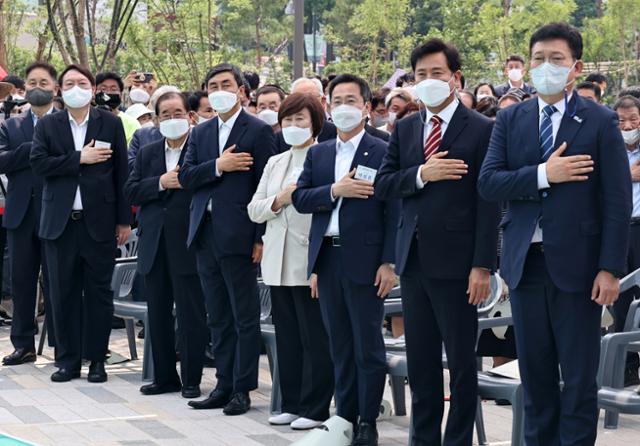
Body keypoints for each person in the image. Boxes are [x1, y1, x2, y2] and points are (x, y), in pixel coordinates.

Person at [478, 23, 631, 446]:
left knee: (579, 377)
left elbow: (617, 202)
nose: (547, 66)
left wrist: (609, 269)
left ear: (576, 67)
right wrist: (546, 174)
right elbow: (489, 183)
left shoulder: (599, 121)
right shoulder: (511, 118)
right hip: (526, 265)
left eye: (557, 59)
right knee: (536, 373)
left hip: (581, 269)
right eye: (539, 58)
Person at [375, 38, 499, 446]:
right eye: (421, 75)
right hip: (413, 262)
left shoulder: (482, 129)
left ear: (455, 77)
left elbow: (489, 202)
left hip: (460, 266)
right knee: (423, 364)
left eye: (437, 73)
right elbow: (385, 184)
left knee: (462, 366)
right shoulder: (407, 126)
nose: (428, 81)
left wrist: (483, 264)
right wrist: (422, 174)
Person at [292, 74, 399, 446]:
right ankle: (345, 415)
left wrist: (390, 261)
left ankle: (367, 419)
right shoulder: (319, 152)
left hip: (368, 261)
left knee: (367, 344)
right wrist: (335, 190)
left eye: (351, 100)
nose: (343, 107)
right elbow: (301, 198)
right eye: (337, 100)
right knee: (339, 342)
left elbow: (395, 212)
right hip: (328, 257)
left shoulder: (383, 149)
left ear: (368, 108)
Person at [179, 63, 276, 415]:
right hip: (204, 234)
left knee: (243, 315)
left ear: (241, 90)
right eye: (213, 85)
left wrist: (259, 237)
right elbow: (187, 176)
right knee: (217, 315)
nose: (219, 90)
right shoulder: (201, 132)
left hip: (240, 235)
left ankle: (242, 387)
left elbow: (266, 187)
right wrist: (219, 166)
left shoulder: (258, 130)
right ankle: (222, 383)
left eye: (226, 84)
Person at [30, 64, 132, 383]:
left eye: (82, 82)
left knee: (99, 293)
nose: (77, 87)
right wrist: (78, 159)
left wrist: (123, 220)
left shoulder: (109, 123)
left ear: (93, 88)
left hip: (98, 222)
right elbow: (39, 164)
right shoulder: (48, 125)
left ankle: (97, 360)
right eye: (70, 83)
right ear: (60, 90)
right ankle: (68, 361)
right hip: (60, 223)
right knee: (63, 293)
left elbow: (121, 174)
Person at [248, 93, 334, 430]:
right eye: (288, 120)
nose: (293, 126)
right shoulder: (276, 161)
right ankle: (292, 402)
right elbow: (254, 209)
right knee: (288, 337)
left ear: (315, 123)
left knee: (315, 337)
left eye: (301, 119)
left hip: (307, 259)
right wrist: (281, 198)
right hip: (276, 260)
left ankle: (315, 407)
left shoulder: (323, 157)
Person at [124, 91, 208, 399]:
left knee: (190, 314)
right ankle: (164, 376)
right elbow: (131, 191)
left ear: (189, 116)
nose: (172, 119)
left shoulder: (201, 149)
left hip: (188, 242)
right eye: (165, 114)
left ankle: (191, 378)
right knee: (157, 313)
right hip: (154, 242)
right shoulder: (147, 152)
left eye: (178, 113)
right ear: (156, 119)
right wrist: (162, 182)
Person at [0, 62, 59, 366]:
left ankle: (63, 344)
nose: (38, 87)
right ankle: (23, 344)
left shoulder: (65, 123)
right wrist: (33, 148)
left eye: (44, 82)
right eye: (33, 81)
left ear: (55, 88)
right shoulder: (11, 125)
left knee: (57, 281)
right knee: (21, 280)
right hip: (21, 213)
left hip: (56, 213)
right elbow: (2, 161)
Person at [613, 95, 640, 386]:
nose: (629, 125)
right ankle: (625, 368)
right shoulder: (611, 151)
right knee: (621, 302)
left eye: (634, 119)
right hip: (620, 230)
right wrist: (628, 174)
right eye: (622, 121)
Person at [275, 78, 337, 153]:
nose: (304, 103)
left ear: (323, 101)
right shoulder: (278, 138)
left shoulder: (335, 132)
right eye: (297, 99)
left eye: (311, 98)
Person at [127, 86, 178, 171]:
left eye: (176, 111)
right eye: (165, 111)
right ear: (156, 115)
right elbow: (130, 165)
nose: (171, 117)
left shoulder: (193, 134)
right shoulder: (141, 135)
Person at [95, 72, 140, 145]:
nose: (108, 93)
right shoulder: (85, 119)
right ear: (94, 92)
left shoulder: (132, 124)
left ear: (121, 95)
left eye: (113, 89)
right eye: (103, 89)